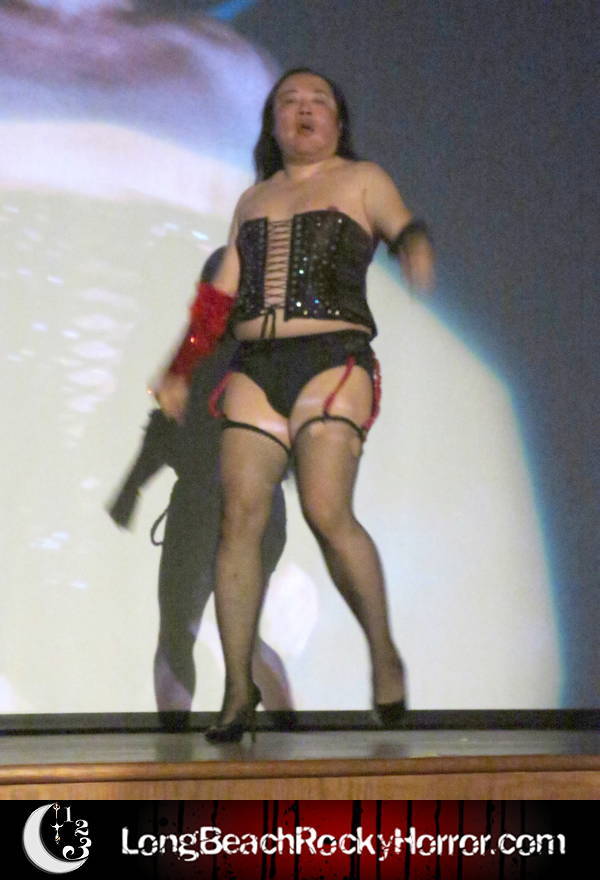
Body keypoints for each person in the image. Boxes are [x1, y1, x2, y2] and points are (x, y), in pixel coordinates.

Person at [156, 67, 435, 742]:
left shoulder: (363, 179)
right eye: (290, 102)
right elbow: (220, 296)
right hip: (256, 365)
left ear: (337, 120)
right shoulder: (253, 199)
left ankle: (384, 655)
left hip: (334, 357)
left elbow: (403, 227)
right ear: (273, 122)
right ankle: (236, 691)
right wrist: (181, 366)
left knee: (325, 510)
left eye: (318, 101)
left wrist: (414, 248)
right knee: (238, 520)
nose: (304, 110)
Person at [109, 249, 293, 731]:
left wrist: (131, 488)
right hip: (256, 508)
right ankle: (289, 734)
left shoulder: (201, 355)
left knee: (179, 633)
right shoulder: (276, 358)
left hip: (205, 506)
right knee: (244, 636)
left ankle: (176, 745)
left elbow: (165, 430)